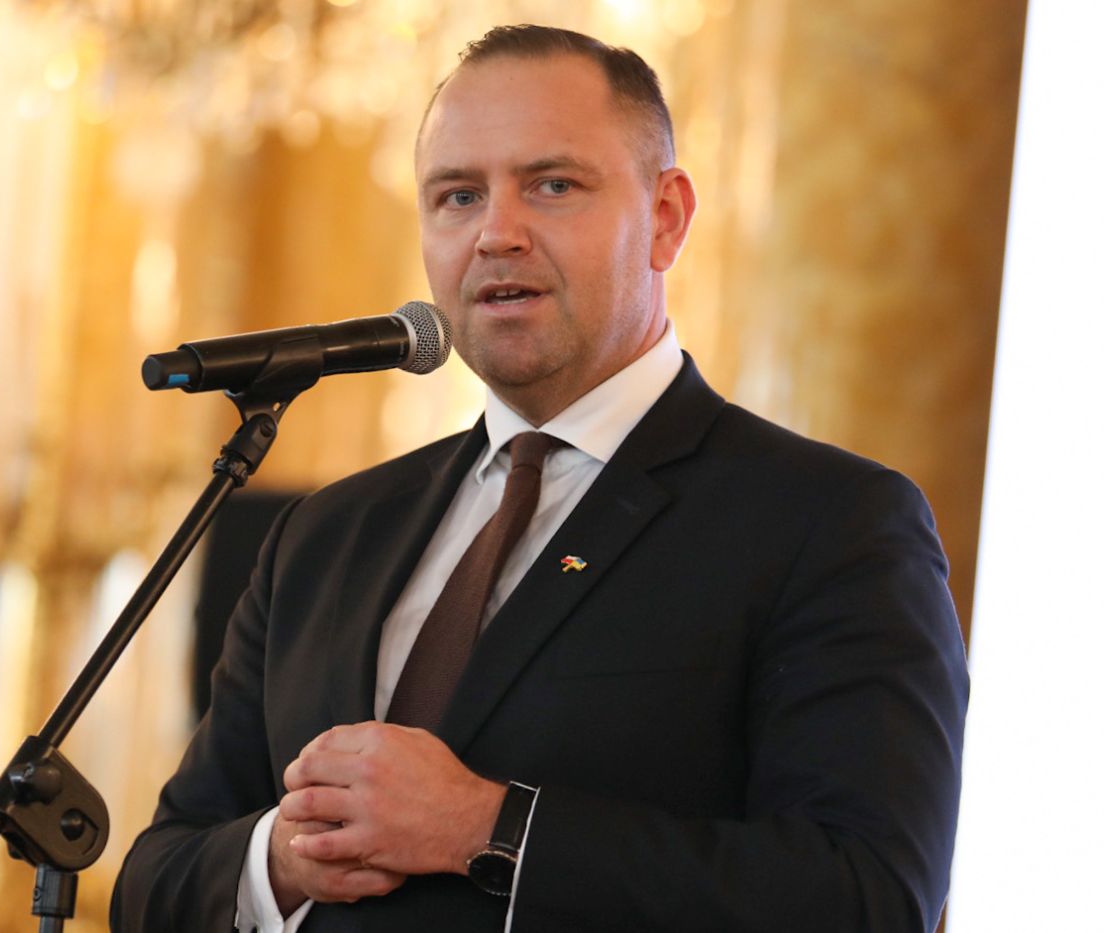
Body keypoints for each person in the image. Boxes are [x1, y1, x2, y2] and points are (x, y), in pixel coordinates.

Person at [111, 24, 968, 933]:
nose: (496, 234)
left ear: (666, 218)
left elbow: (868, 895)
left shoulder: (828, 521)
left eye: (553, 185)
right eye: (458, 196)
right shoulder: (325, 533)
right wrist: (279, 861)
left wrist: (491, 828)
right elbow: (156, 878)